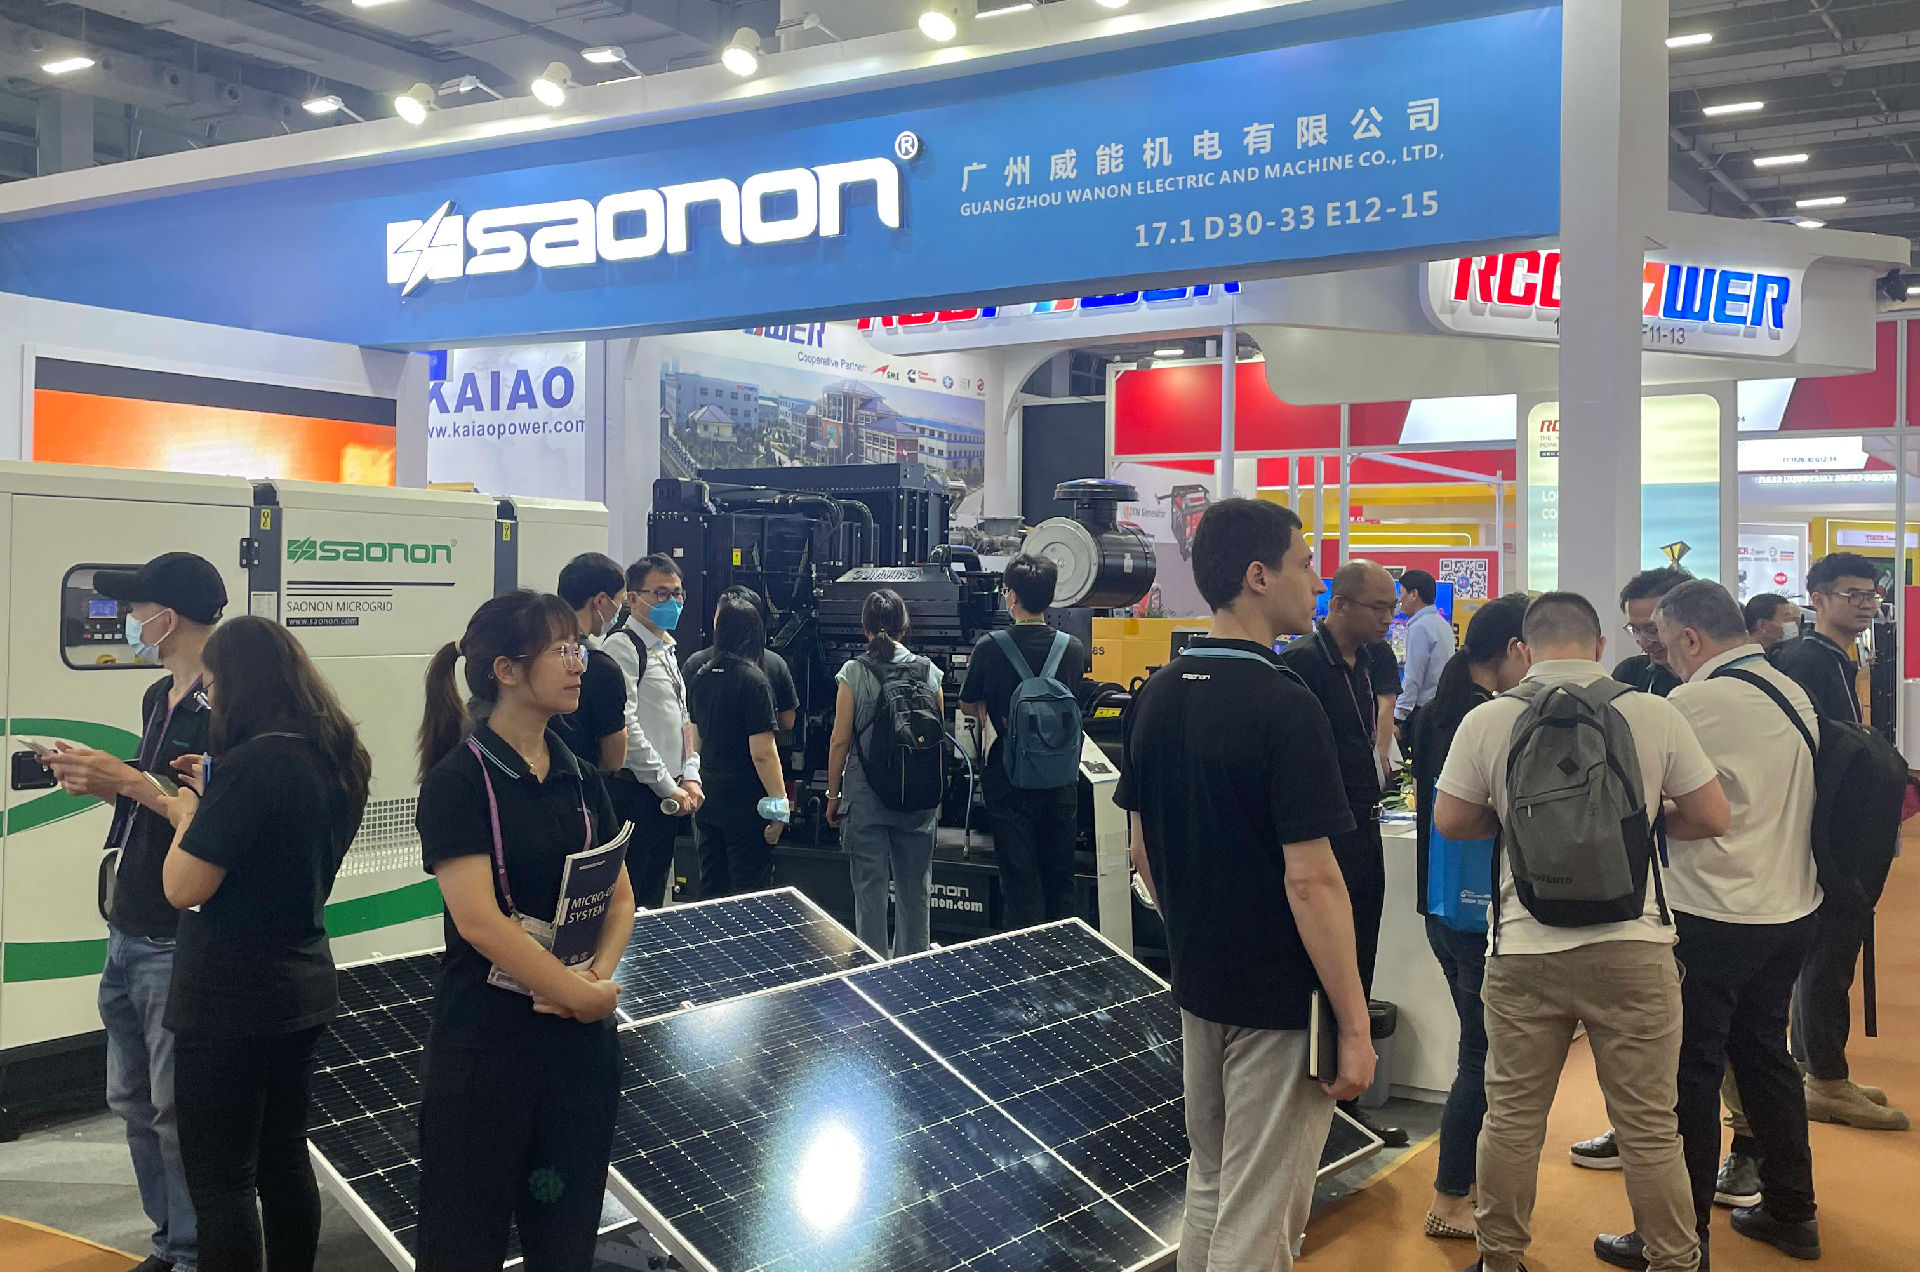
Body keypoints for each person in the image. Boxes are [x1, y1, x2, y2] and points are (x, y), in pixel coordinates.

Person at [1435, 591, 1729, 1272]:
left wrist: (1522, 825)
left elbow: (1451, 820)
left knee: (1511, 1120)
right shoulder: (1653, 711)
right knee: (1649, 1126)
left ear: (1525, 649)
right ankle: (1675, 1261)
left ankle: (1500, 1259)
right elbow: (1713, 816)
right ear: (1599, 646)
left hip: (1523, 949)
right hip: (1635, 947)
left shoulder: (1489, 719)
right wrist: (1641, 828)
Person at [1115, 498, 1374, 1271]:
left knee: (1213, 1184)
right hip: (1280, 1003)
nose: (1317, 581)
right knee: (1260, 1217)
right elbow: (1313, 881)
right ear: (1258, 576)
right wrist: (1354, 1025)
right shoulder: (1288, 706)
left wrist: (1197, 935)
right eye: (1305, 563)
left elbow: (1142, 852)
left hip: (1199, 983)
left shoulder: (1156, 694)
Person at [1589, 580, 1823, 1272]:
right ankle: (1792, 1211)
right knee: (1766, 1059)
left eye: (1662, 642)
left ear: (1690, 638)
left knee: (1685, 1075)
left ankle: (1677, 1239)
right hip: (1791, 907)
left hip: (1712, 915)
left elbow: (1661, 808)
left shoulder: (1692, 703)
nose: (1658, 654)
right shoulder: (1790, 691)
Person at [412, 590, 635, 1271]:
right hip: (487, 1052)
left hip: (576, 1053)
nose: (578, 664)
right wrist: (578, 994)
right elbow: (479, 920)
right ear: (506, 671)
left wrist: (593, 984)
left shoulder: (581, 776)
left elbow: (619, 897)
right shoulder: (459, 781)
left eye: (579, 648)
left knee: (565, 1242)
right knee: (463, 1244)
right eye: (561, 650)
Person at [154, 617, 371, 1272]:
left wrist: (188, 812)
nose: (210, 696)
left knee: (221, 1181)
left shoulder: (253, 767)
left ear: (239, 683)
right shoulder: (339, 755)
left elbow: (182, 887)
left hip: (227, 998)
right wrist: (218, 789)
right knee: (283, 1159)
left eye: (214, 683)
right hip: (300, 985)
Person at [48, 551, 228, 1272]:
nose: (127, 621)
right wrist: (105, 782)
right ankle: (168, 1241)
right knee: (131, 1098)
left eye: (135, 610)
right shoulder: (160, 695)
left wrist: (129, 781)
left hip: (176, 931)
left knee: (175, 1108)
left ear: (168, 617)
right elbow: (157, 797)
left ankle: (195, 1251)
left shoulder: (229, 704)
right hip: (128, 920)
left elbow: (210, 815)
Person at [1406, 594, 1529, 1245]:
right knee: (1482, 1059)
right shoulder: (1490, 719)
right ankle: (1450, 1197)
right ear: (1513, 648)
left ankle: (1469, 1185)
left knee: (1481, 1053)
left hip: (1442, 905)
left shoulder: (1436, 712)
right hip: (1480, 911)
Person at [1772, 551, 1907, 1132]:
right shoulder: (1809, 660)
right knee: (1829, 956)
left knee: (1827, 955)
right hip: (1828, 835)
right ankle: (1824, 1080)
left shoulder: (1835, 658)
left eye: (1870, 594)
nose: (1865, 604)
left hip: (1838, 830)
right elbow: (1817, 756)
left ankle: (1818, 1070)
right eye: (1852, 594)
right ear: (1818, 599)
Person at [1279, 559, 1407, 1147]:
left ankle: (1349, 1107)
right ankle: (1315, 1110)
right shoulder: (1304, 662)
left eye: (1392, 607)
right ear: (1342, 604)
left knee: (1361, 954)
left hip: (1364, 824)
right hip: (1322, 833)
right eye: (1378, 607)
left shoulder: (1373, 661)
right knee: (1324, 965)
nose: (1388, 618)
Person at [959, 554, 1090, 929]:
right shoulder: (1072, 647)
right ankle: (1062, 955)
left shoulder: (990, 646)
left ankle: (1024, 959)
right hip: (1061, 777)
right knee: (1060, 880)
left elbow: (968, 703)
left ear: (1012, 596)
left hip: (1008, 778)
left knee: (1020, 883)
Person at [827, 588, 945, 956]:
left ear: (864, 628)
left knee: (870, 892)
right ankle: (913, 970)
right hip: (919, 799)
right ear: (904, 628)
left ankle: (873, 971)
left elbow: (839, 741)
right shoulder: (930, 672)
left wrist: (833, 795)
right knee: (916, 891)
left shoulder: (854, 672)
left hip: (866, 798)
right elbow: (937, 740)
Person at [602, 554, 700, 909]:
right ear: (633, 598)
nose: (672, 602)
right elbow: (626, 726)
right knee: (629, 902)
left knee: (653, 900)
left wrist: (691, 775)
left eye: (677, 593)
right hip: (636, 794)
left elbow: (683, 719)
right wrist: (666, 785)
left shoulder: (667, 649)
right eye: (661, 593)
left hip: (669, 794)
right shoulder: (622, 646)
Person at [687, 593, 789, 898]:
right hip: (746, 803)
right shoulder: (754, 680)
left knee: (711, 886)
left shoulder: (700, 674)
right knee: (749, 894)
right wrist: (780, 807)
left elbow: (695, 740)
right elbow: (763, 754)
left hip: (709, 798)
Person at [551, 553, 629, 777]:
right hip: (580, 782)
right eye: (620, 600)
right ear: (601, 600)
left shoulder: (538, 653)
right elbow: (613, 760)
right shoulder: (602, 667)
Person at [684, 586, 800, 732]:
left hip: (704, 745)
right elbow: (787, 721)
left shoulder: (696, 664)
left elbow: (683, 715)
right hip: (760, 743)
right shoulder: (775, 664)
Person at [1395, 568, 1457, 746]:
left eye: (1402, 593)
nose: (1400, 599)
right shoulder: (1443, 624)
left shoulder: (1419, 627)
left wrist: (1398, 716)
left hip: (1421, 713)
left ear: (1414, 594)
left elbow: (1413, 677)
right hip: (1439, 709)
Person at [1612, 566, 1691, 697]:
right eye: (1635, 630)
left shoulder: (1714, 678)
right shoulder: (1630, 674)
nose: (1644, 643)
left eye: (1653, 630)